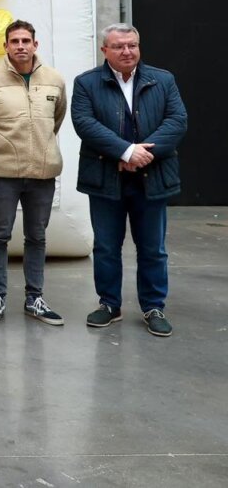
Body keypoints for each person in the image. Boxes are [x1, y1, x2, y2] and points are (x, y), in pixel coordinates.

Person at [71, 23, 186, 337]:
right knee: (107, 247)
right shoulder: (86, 83)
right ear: (104, 49)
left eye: (132, 45)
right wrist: (124, 152)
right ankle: (109, 304)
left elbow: (177, 121)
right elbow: (84, 123)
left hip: (153, 178)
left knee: (153, 249)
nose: (127, 51)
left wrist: (142, 155)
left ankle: (153, 306)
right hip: (106, 178)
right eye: (119, 46)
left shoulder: (163, 80)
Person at [0, 20, 68, 326]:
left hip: (43, 174)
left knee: (36, 237)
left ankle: (34, 299)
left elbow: (56, 120)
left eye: (26, 40)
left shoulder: (54, 81)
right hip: (2, 175)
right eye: (14, 41)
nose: (21, 46)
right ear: (5, 46)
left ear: (35, 45)